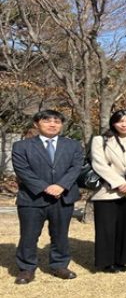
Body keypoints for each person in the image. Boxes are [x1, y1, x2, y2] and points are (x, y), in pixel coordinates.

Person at [12, 110, 83, 284]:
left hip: (63, 197)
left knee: (60, 234)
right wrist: (44, 187)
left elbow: (76, 168)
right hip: (32, 198)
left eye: (57, 121)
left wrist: (61, 185)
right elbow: (23, 171)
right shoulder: (22, 146)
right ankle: (26, 269)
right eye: (47, 121)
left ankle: (59, 265)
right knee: (29, 235)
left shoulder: (73, 145)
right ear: (36, 124)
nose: (52, 124)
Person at [90, 109, 126, 273]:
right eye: (121, 121)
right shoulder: (100, 140)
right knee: (106, 227)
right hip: (107, 189)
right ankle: (106, 261)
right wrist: (118, 183)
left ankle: (122, 260)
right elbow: (98, 163)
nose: (124, 124)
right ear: (113, 123)